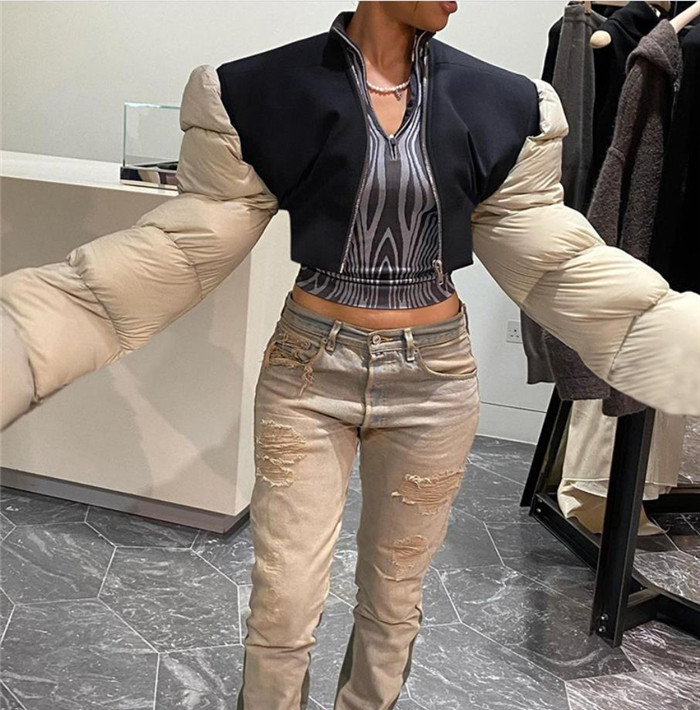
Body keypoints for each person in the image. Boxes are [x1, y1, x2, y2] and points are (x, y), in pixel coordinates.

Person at [1, 2, 698, 708]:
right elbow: (180, 249)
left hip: (435, 382)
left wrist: (678, 342)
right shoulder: (257, 91)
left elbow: (555, 260)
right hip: (309, 372)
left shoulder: (508, 103)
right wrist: (21, 338)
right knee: (284, 601)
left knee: (395, 597)